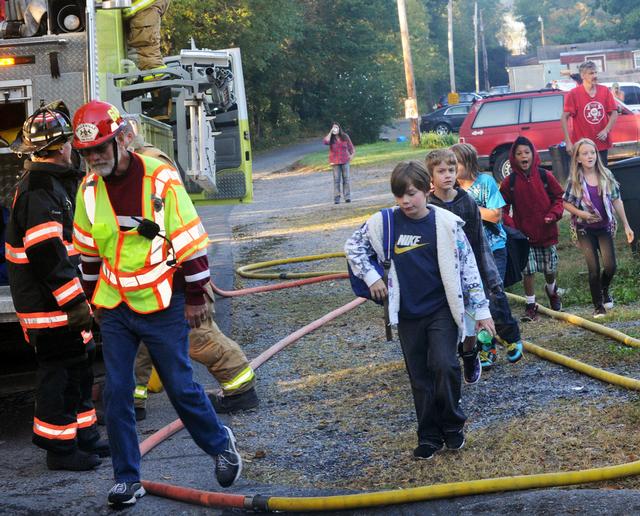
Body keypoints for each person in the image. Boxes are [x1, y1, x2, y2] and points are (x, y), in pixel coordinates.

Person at [71, 100, 241, 507]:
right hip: (115, 305)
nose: (95, 159)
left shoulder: (161, 179)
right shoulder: (89, 191)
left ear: (123, 140)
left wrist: (197, 295)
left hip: (164, 300)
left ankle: (221, 446)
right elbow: (90, 253)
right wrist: (93, 302)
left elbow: (189, 241)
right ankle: (127, 479)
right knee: (118, 392)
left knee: (181, 386)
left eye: (101, 149)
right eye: (87, 154)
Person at [345, 160, 494, 460]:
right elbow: (353, 246)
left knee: (445, 365)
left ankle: (453, 425)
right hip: (408, 313)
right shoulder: (384, 223)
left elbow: (468, 267)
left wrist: (481, 310)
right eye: (399, 194)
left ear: (426, 189)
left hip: (441, 309)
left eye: (411, 193)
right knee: (420, 377)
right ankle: (428, 435)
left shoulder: (447, 224)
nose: (405, 201)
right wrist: (372, 276)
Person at [117, 118, 259, 419]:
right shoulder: (127, 168)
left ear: (125, 139)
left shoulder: (151, 168)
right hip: (147, 279)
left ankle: (241, 389)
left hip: (175, 274)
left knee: (198, 336)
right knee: (139, 341)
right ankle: (133, 402)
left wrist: (193, 290)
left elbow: (178, 229)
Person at [6, 101, 109, 471]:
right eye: (67, 143)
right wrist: (75, 303)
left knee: (79, 370)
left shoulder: (53, 184)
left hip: (61, 307)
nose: (71, 148)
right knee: (59, 376)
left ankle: (85, 439)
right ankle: (60, 452)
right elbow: (48, 253)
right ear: (59, 147)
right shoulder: (39, 190)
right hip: (49, 309)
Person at [434, 145, 523, 369]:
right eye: (444, 169)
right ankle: (484, 348)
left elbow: (495, 216)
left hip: (491, 249)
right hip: (460, 259)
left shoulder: (483, 184)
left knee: (493, 296)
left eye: (455, 166)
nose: (450, 172)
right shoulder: (444, 194)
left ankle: (508, 339)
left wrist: (470, 207)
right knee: (472, 303)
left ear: (467, 164)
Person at [562, 138, 634, 317]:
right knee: (593, 268)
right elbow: (565, 202)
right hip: (584, 228)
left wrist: (626, 225)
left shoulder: (606, 175)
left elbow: (616, 200)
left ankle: (604, 289)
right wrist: (582, 214)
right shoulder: (575, 180)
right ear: (578, 158)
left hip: (604, 227)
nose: (590, 156)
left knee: (610, 266)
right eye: (585, 153)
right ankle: (598, 306)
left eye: (592, 152)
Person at [500, 136, 565, 321]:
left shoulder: (545, 176)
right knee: (528, 270)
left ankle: (552, 291)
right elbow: (501, 208)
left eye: (526, 152)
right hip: (524, 237)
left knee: (549, 269)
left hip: (546, 232)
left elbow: (559, 198)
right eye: (519, 153)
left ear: (533, 154)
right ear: (513, 157)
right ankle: (530, 305)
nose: (523, 156)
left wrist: (553, 215)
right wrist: (512, 227)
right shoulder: (509, 182)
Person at [561, 61, 618, 166]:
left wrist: (606, 130)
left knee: (602, 176)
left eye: (596, 73)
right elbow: (564, 118)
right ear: (583, 75)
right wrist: (568, 142)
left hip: (601, 144)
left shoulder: (604, 91)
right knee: (584, 177)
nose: (595, 76)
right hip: (583, 146)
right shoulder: (573, 94)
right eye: (591, 73)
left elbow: (614, 113)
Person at [323, 122, 355, 204]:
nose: (335, 129)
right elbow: (325, 142)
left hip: (345, 161)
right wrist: (330, 132)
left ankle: (347, 197)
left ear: (339, 128)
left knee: (346, 179)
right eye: (333, 128)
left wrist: (351, 156)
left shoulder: (345, 136)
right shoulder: (331, 138)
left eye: (336, 127)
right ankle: (336, 199)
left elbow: (351, 147)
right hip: (335, 162)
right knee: (337, 181)